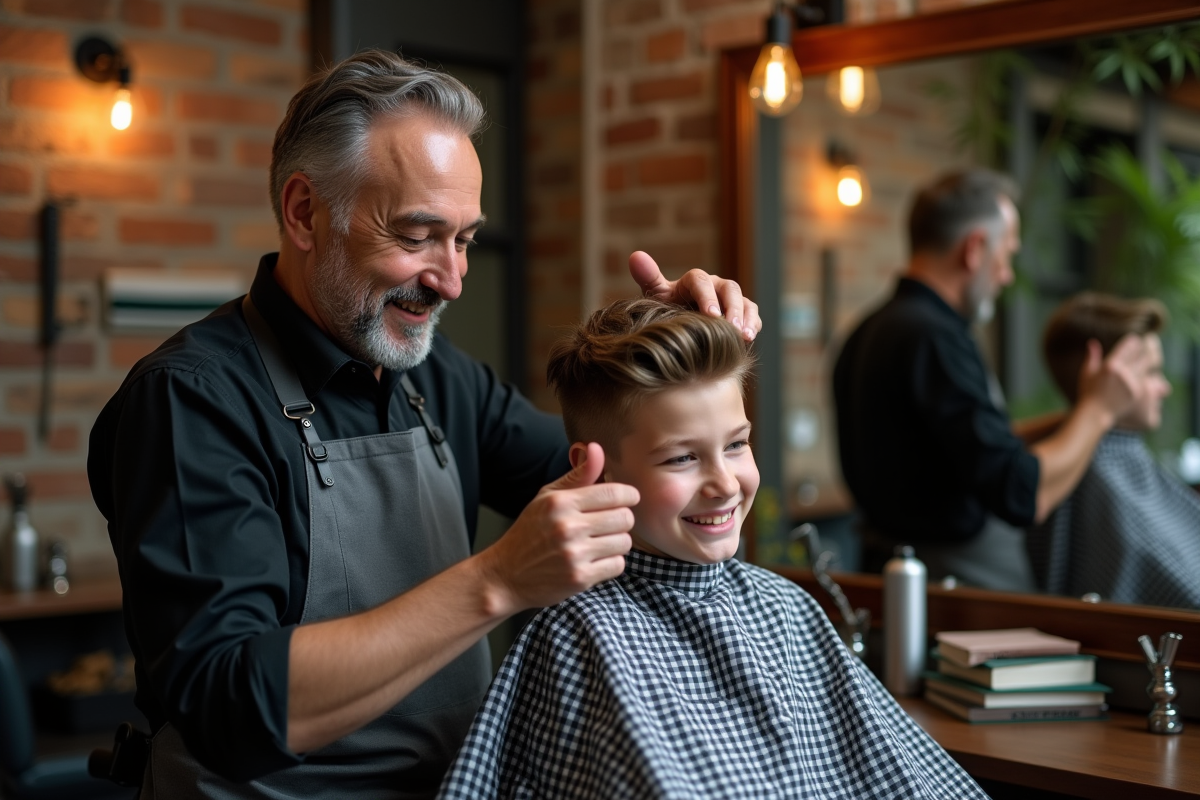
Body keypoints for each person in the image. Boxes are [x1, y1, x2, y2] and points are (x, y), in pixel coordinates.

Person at [86, 51, 759, 799]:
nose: (452, 279)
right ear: (304, 213)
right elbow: (229, 706)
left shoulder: (437, 382)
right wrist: (497, 581)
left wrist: (676, 372)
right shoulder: (192, 402)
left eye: (465, 238)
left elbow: (632, 487)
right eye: (416, 236)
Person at [438, 298, 987, 800]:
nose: (724, 483)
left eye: (737, 444)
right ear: (590, 467)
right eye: (682, 458)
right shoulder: (579, 633)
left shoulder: (787, 609)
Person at [832, 169, 1148, 591]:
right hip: (955, 589)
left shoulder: (867, 331)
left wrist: (1068, 422)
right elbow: (1020, 493)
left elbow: (963, 452)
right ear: (975, 249)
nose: (1007, 275)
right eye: (1007, 255)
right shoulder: (936, 339)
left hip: (884, 573)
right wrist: (1100, 409)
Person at [1029, 293, 1200, 608]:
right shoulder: (1099, 476)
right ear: (1107, 373)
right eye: (1151, 372)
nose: (1166, 387)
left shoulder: (1118, 456)